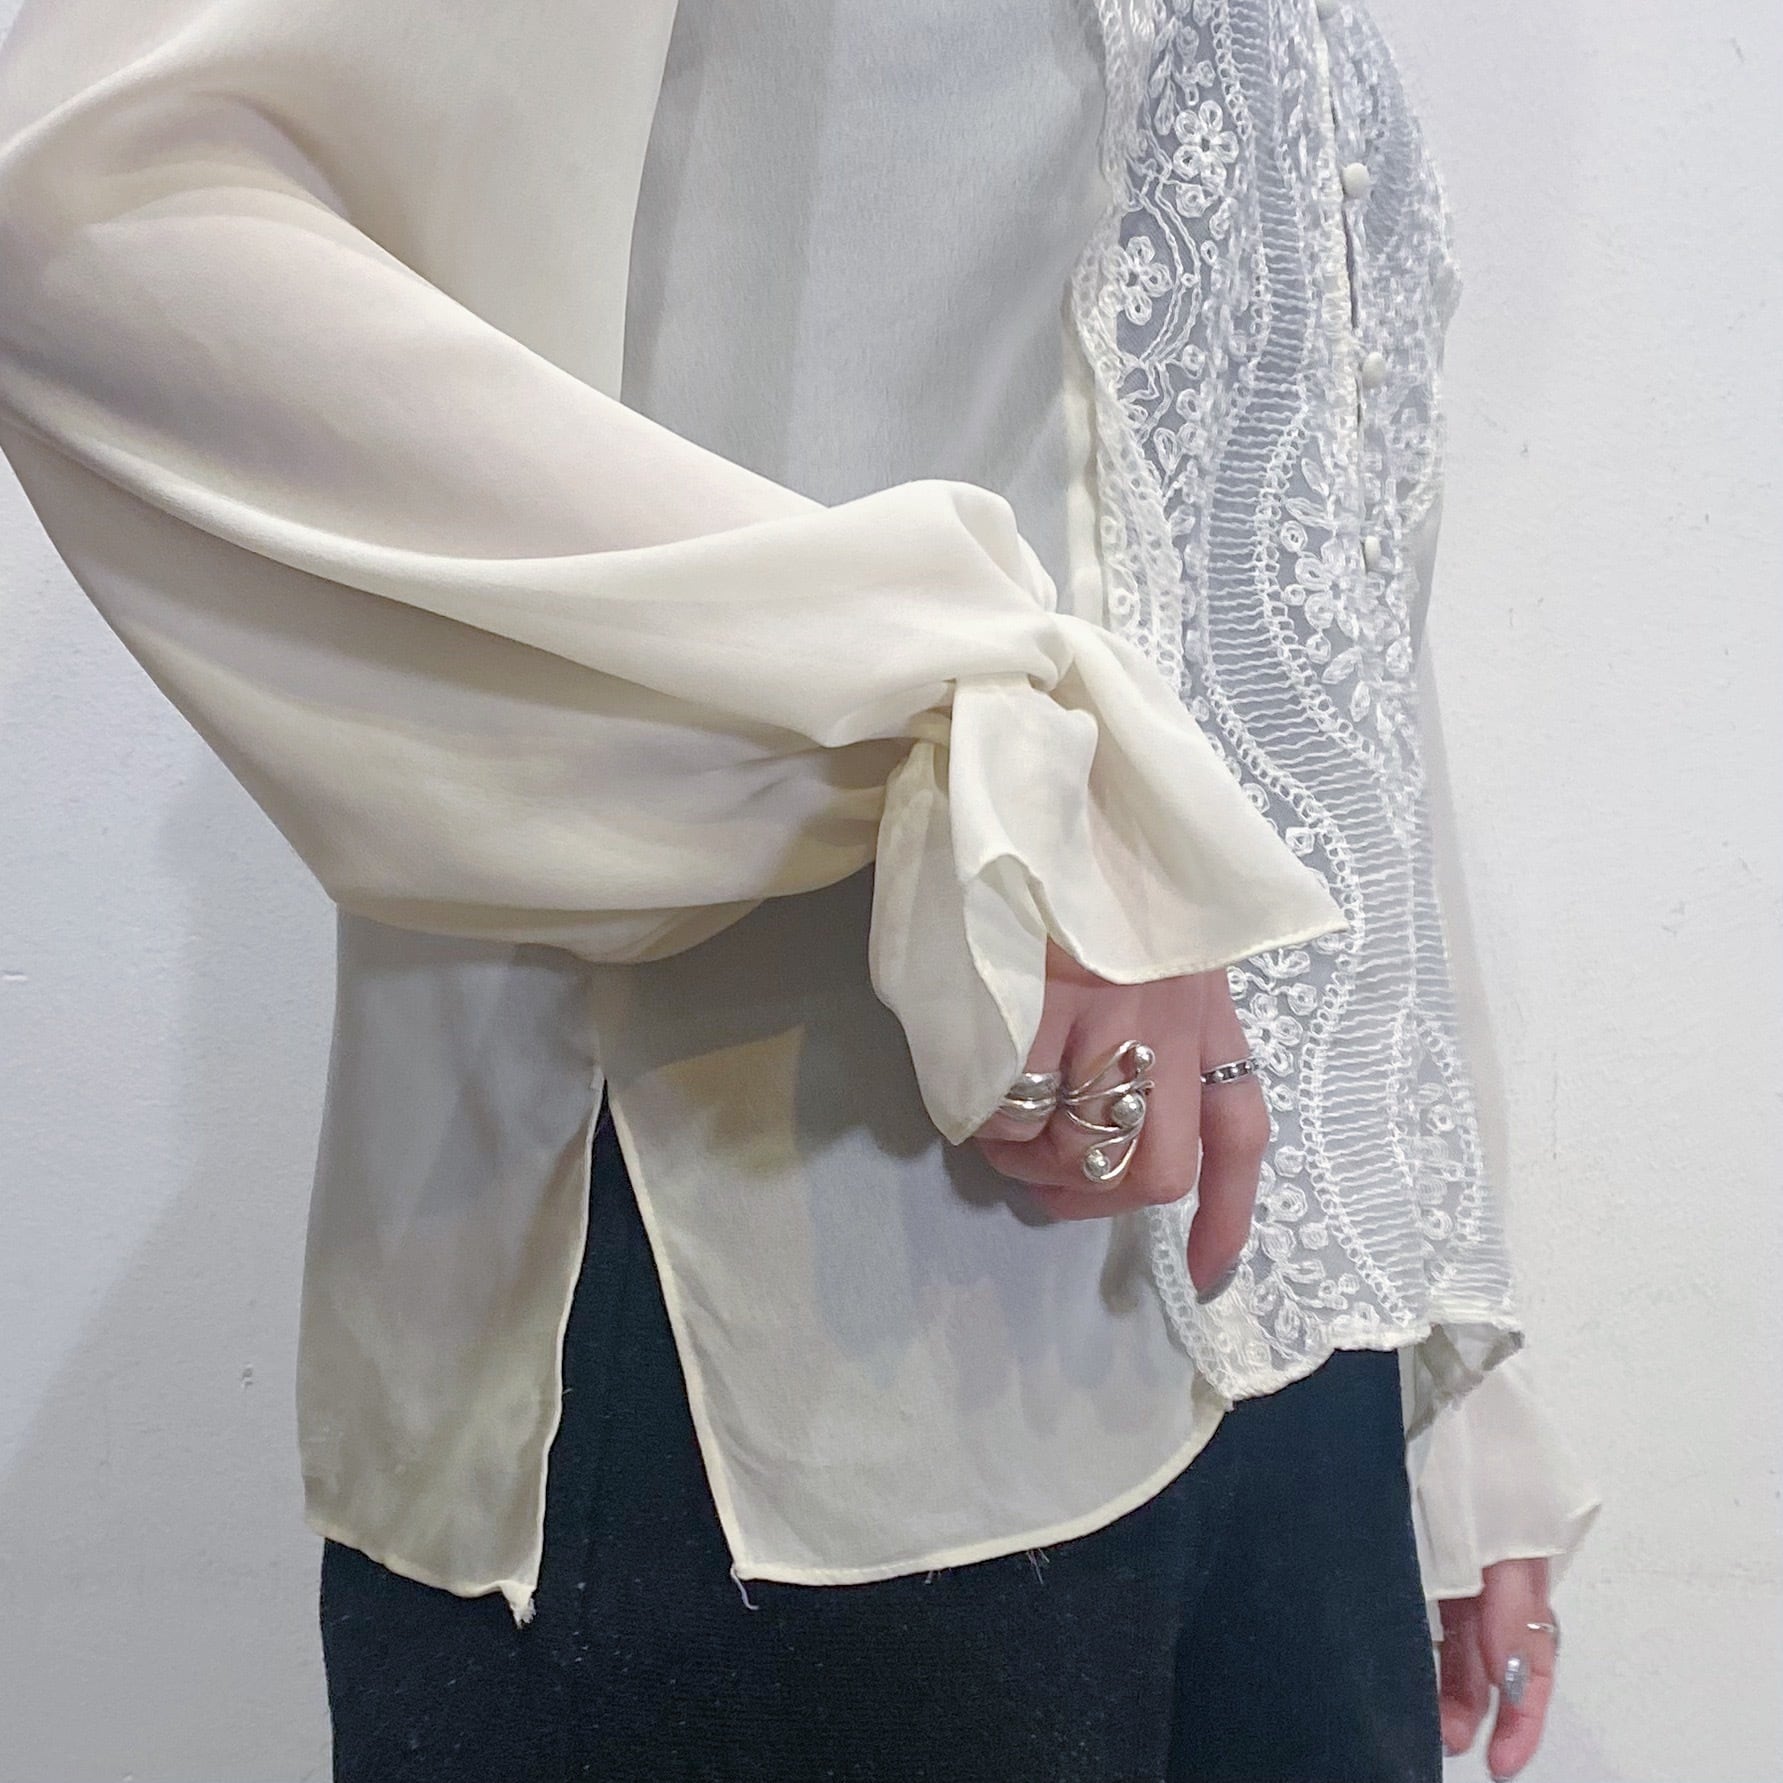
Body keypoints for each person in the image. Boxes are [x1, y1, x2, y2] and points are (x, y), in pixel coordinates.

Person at [0, 1, 1600, 1778]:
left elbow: (1309, 604)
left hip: (1289, 1367)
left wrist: (1443, 1343)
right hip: (787, 1329)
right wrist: (969, 717)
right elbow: (89, 211)